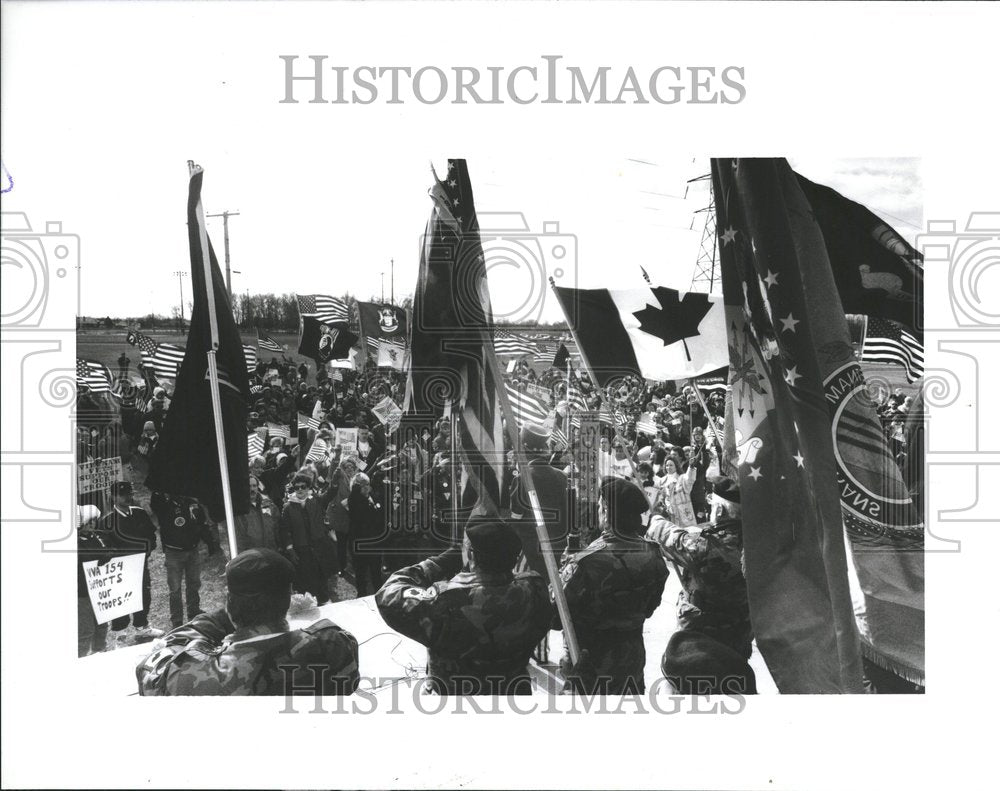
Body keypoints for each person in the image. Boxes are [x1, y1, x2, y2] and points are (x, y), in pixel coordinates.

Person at [136, 548, 360, 696]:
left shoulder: (194, 677)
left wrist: (229, 610)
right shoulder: (336, 646)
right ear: (288, 597)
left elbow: (149, 672)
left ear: (230, 603)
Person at [375, 519, 553, 695]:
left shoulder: (446, 602)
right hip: (513, 694)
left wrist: (439, 563)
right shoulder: (535, 591)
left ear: (472, 557)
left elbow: (388, 594)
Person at [557, 476, 668, 694]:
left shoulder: (587, 561)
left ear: (606, 512)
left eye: (600, 506)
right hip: (631, 658)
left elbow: (557, 612)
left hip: (590, 663)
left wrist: (566, 564)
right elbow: (650, 607)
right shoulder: (653, 554)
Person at [647, 477, 755, 694]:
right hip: (738, 643)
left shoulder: (705, 547)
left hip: (699, 647)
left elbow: (668, 537)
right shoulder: (758, 546)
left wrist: (655, 519)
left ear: (721, 512)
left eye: (713, 505)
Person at [97, 481, 163, 640]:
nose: (128, 497)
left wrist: (147, 550)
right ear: (113, 497)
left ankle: (142, 626)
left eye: (130, 494)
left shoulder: (139, 513)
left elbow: (151, 536)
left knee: (143, 595)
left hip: (141, 564)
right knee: (122, 599)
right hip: (120, 569)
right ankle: (120, 633)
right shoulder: (107, 521)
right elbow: (104, 545)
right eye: (122, 495)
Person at [278, 472, 336, 605]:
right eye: (296, 487)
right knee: (306, 581)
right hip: (302, 550)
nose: (299, 490)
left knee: (322, 578)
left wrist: (336, 476)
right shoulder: (288, 507)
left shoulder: (315, 500)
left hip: (319, 547)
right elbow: (285, 531)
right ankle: (309, 607)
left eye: (303, 487)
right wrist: (290, 549)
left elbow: (330, 493)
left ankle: (325, 604)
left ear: (308, 488)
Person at [149, 491, 205, 629]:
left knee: (194, 583)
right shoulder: (163, 504)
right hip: (174, 552)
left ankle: (194, 612)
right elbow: (155, 503)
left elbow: (201, 520)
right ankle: (177, 621)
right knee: (175, 588)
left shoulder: (192, 501)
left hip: (192, 550)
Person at [77, 504, 111, 657]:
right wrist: (99, 557)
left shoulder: (97, 537)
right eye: (88, 522)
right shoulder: (76, 542)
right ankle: (81, 656)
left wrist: (108, 555)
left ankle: (100, 650)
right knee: (86, 629)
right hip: (83, 592)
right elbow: (83, 559)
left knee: (102, 623)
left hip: (99, 588)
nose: (92, 525)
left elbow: (109, 550)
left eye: (93, 521)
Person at [348, 472, 386, 596]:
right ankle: (362, 596)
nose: (366, 487)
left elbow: (380, 515)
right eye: (362, 485)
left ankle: (379, 596)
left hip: (374, 543)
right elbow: (358, 511)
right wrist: (357, 488)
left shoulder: (373, 497)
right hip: (360, 543)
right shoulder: (354, 499)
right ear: (356, 487)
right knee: (361, 574)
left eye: (367, 484)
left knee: (376, 573)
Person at [235, 474, 279, 552]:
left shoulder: (268, 503)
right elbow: (239, 536)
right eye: (248, 486)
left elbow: (277, 524)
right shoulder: (240, 509)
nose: (252, 489)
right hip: (253, 554)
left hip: (271, 551)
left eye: (254, 486)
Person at [653, 457, 698, 527]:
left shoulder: (682, 478)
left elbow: (690, 480)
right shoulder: (663, 480)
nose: (668, 467)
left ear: (676, 466)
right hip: (670, 514)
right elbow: (654, 486)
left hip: (683, 513)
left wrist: (691, 467)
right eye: (667, 465)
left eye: (671, 465)